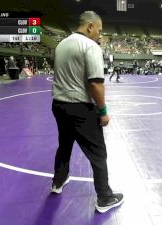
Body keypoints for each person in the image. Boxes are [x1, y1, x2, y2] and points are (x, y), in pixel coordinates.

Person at [51, 11, 123, 213]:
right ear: (90, 26)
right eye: (99, 30)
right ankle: (105, 198)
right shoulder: (90, 46)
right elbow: (96, 84)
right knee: (98, 153)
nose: (100, 35)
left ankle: (58, 181)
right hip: (80, 108)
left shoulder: (61, 44)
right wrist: (103, 112)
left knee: (64, 145)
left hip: (59, 105)